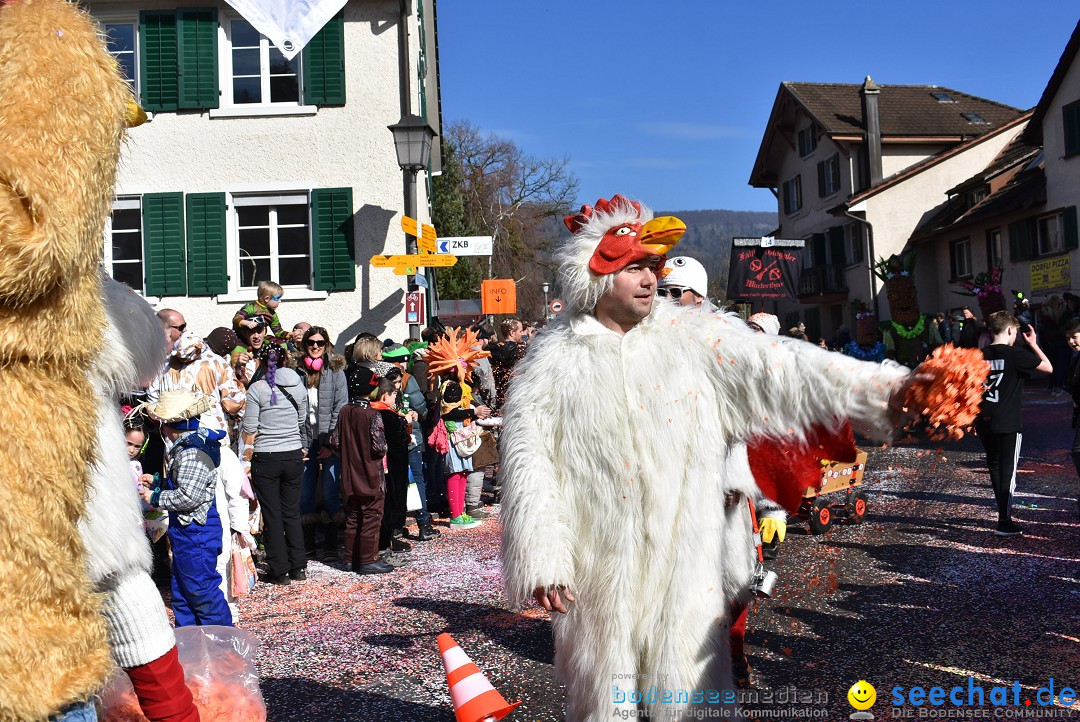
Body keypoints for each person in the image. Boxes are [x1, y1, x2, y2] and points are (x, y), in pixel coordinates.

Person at [500, 195, 917, 721]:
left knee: (691, 700)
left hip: (684, 566)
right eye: (634, 268)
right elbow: (530, 463)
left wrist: (890, 388)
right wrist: (543, 557)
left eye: (653, 267)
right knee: (607, 703)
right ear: (597, 277)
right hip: (598, 569)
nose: (651, 279)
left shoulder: (694, 339)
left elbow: (781, 368)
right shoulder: (552, 361)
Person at [138, 390, 233, 627]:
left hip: (196, 534)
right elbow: (186, 484)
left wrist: (156, 496)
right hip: (187, 533)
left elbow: (188, 497)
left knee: (202, 593)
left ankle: (223, 646)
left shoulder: (192, 452)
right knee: (181, 591)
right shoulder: (188, 447)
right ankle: (191, 644)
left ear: (170, 426)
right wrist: (159, 482)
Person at [976, 311, 1052, 537]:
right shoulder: (1016, 354)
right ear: (1011, 330)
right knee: (1008, 472)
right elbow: (1048, 368)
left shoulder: (978, 355)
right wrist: (1034, 345)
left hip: (984, 419)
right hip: (1007, 421)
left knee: (995, 468)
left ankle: (1003, 517)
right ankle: (1004, 521)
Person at [242, 345, 308, 584]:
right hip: (292, 454)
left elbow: (249, 427)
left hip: (266, 456)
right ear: (285, 360)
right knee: (292, 511)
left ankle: (280, 571)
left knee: (272, 515)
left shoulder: (257, 389)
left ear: (261, 361)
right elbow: (301, 419)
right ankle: (298, 566)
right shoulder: (299, 385)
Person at [295, 326, 348, 562]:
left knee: (329, 491)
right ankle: (307, 544)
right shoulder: (295, 371)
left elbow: (341, 408)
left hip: (329, 439)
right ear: (304, 345)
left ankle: (330, 542)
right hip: (304, 439)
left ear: (326, 345)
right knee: (305, 493)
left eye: (320, 342)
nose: (315, 347)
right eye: (310, 343)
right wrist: (298, 442)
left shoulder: (336, 371)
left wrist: (331, 442)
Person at [337, 367, 392, 574]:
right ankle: (368, 559)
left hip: (349, 475)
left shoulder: (344, 411)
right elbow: (380, 447)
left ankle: (350, 559)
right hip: (370, 475)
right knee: (371, 516)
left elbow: (335, 440)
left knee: (352, 516)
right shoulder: (371, 414)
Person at [1064, 318, 1080, 519]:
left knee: (1077, 451)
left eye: (1074, 337)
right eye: (1068, 338)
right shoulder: (1074, 358)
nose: (1071, 342)